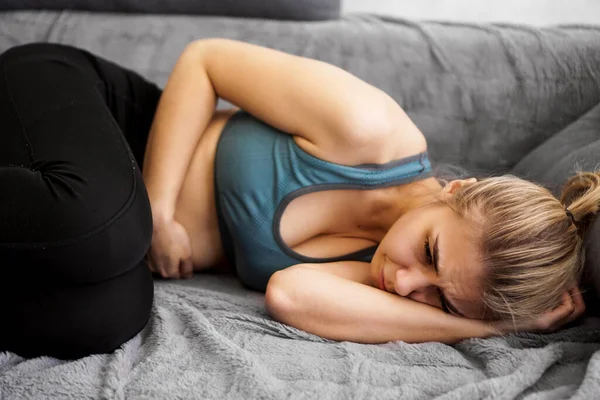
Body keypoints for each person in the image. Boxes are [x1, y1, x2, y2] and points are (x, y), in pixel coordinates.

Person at [0, 39, 590, 359]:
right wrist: (159, 206)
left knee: (106, 318)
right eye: (432, 254)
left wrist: (488, 330)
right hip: (94, 112)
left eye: (444, 301)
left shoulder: (391, 279)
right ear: (458, 190)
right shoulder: (369, 131)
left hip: (69, 223)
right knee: (115, 229)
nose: (409, 285)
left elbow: (290, 294)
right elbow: (204, 61)